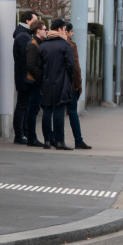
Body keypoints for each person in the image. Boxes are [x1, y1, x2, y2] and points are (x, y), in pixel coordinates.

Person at [37, 18, 76, 149]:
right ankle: (59, 141)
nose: (65, 32)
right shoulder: (65, 45)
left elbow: (39, 67)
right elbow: (71, 66)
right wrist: (69, 80)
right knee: (59, 112)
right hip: (62, 82)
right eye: (65, 30)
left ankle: (47, 140)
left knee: (47, 111)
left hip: (46, 83)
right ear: (60, 29)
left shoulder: (43, 46)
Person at [61, 22, 91, 149]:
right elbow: (76, 68)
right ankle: (78, 140)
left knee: (56, 112)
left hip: (56, 84)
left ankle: (54, 139)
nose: (73, 34)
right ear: (65, 31)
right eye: (71, 31)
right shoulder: (71, 46)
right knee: (73, 113)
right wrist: (78, 86)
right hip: (71, 85)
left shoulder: (49, 42)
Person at [12, 10, 39, 144]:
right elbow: (26, 58)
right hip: (24, 77)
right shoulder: (23, 36)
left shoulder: (24, 35)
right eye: (34, 20)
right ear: (27, 21)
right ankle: (19, 135)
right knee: (22, 106)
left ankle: (23, 134)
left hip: (24, 76)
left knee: (24, 106)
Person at [20, 19, 48, 147]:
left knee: (35, 109)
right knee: (33, 110)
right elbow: (31, 64)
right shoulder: (33, 44)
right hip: (34, 82)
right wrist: (40, 77)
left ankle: (33, 137)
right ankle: (32, 137)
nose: (46, 31)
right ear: (38, 31)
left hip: (36, 81)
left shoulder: (38, 42)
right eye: (44, 29)